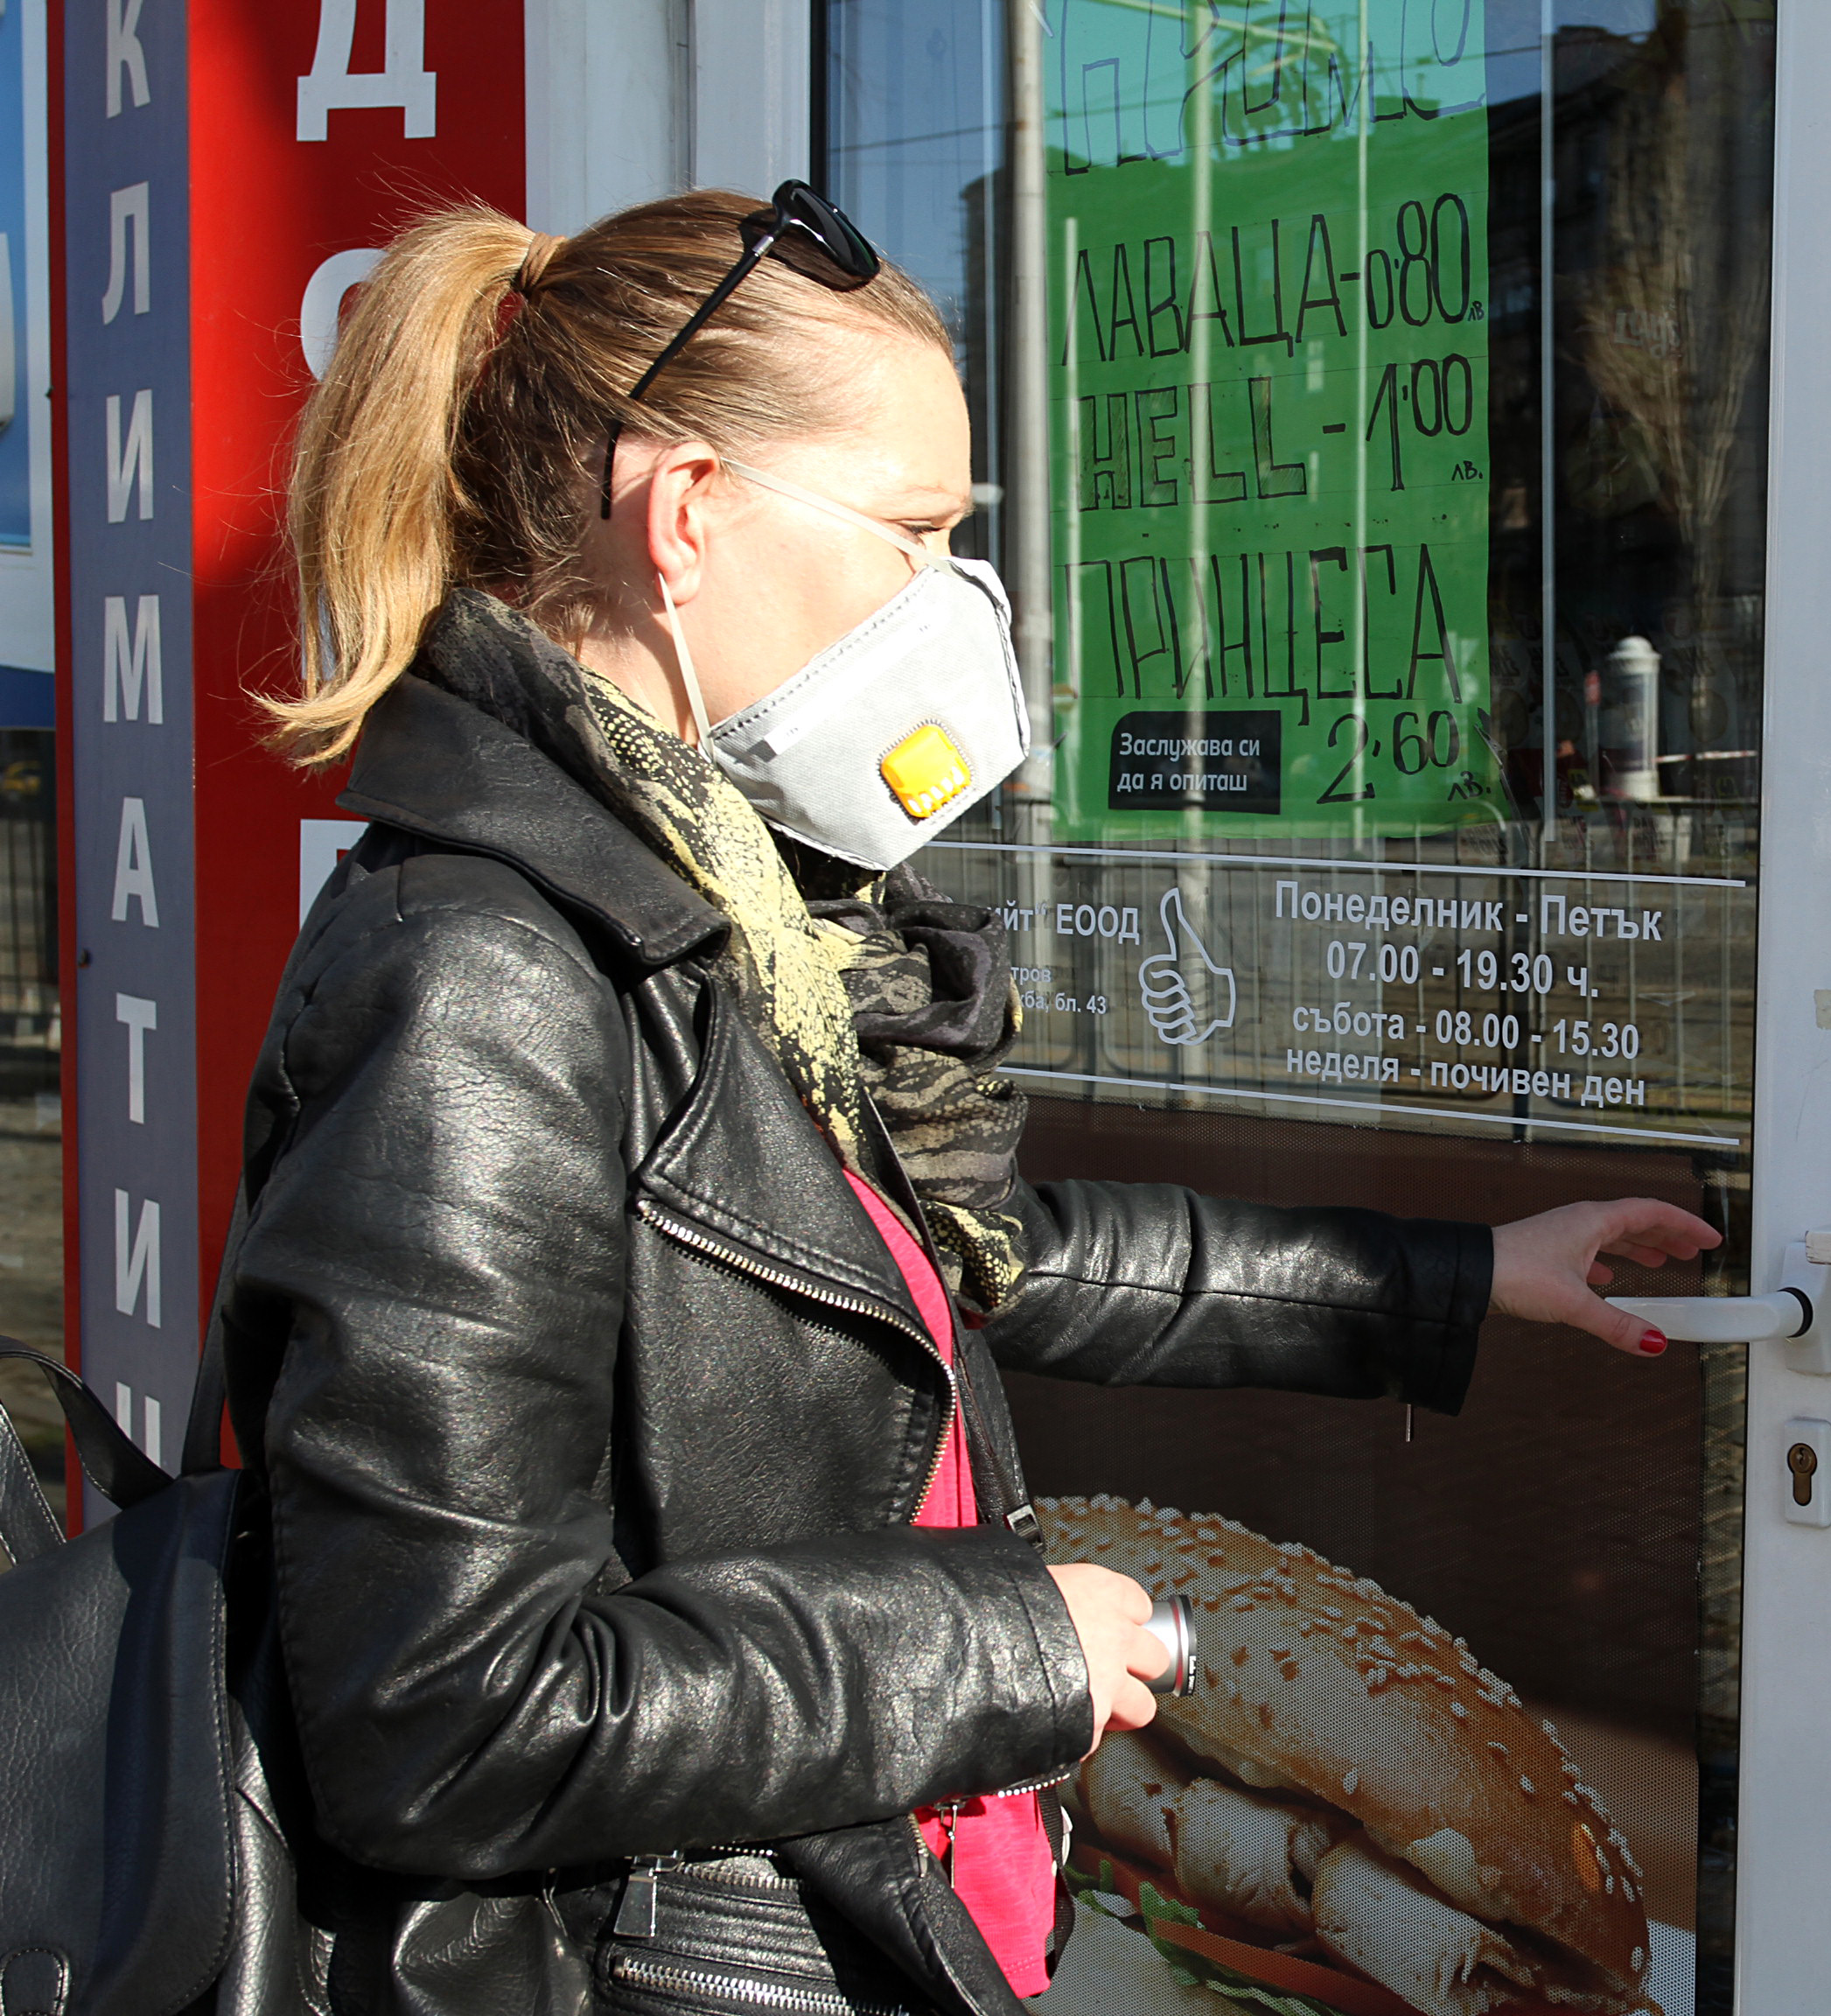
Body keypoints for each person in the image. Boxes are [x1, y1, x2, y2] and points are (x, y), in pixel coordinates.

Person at [222, 186, 1718, 2015]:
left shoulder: (738, 916)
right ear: (687, 514)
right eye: (917, 535)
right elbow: (438, 1717)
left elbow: (955, 1260)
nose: (959, 606)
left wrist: (1459, 1281)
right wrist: (1008, 1649)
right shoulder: (481, 981)